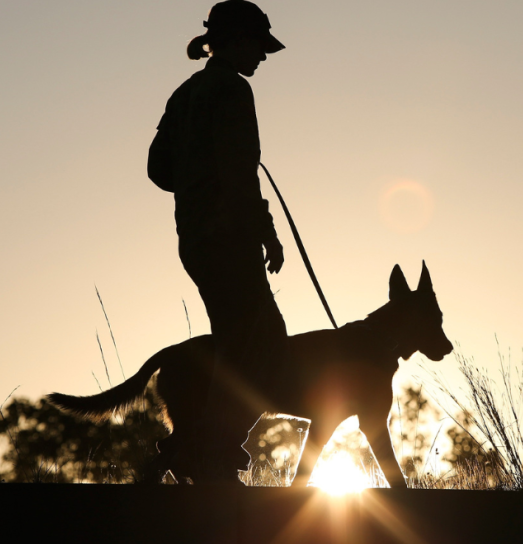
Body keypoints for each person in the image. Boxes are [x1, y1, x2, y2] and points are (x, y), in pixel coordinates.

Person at [147, 0, 288, 483]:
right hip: (231, 239)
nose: (264, 56)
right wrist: (267, 233)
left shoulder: (185, 93)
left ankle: (197, 447)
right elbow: (240, 176)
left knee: (239, 342)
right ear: (236, 39)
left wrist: (194, 177)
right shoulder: (232, 89)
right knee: (262, 345)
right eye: (259, 45)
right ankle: (211, 452)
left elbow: (158, 170)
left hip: (195, 238)